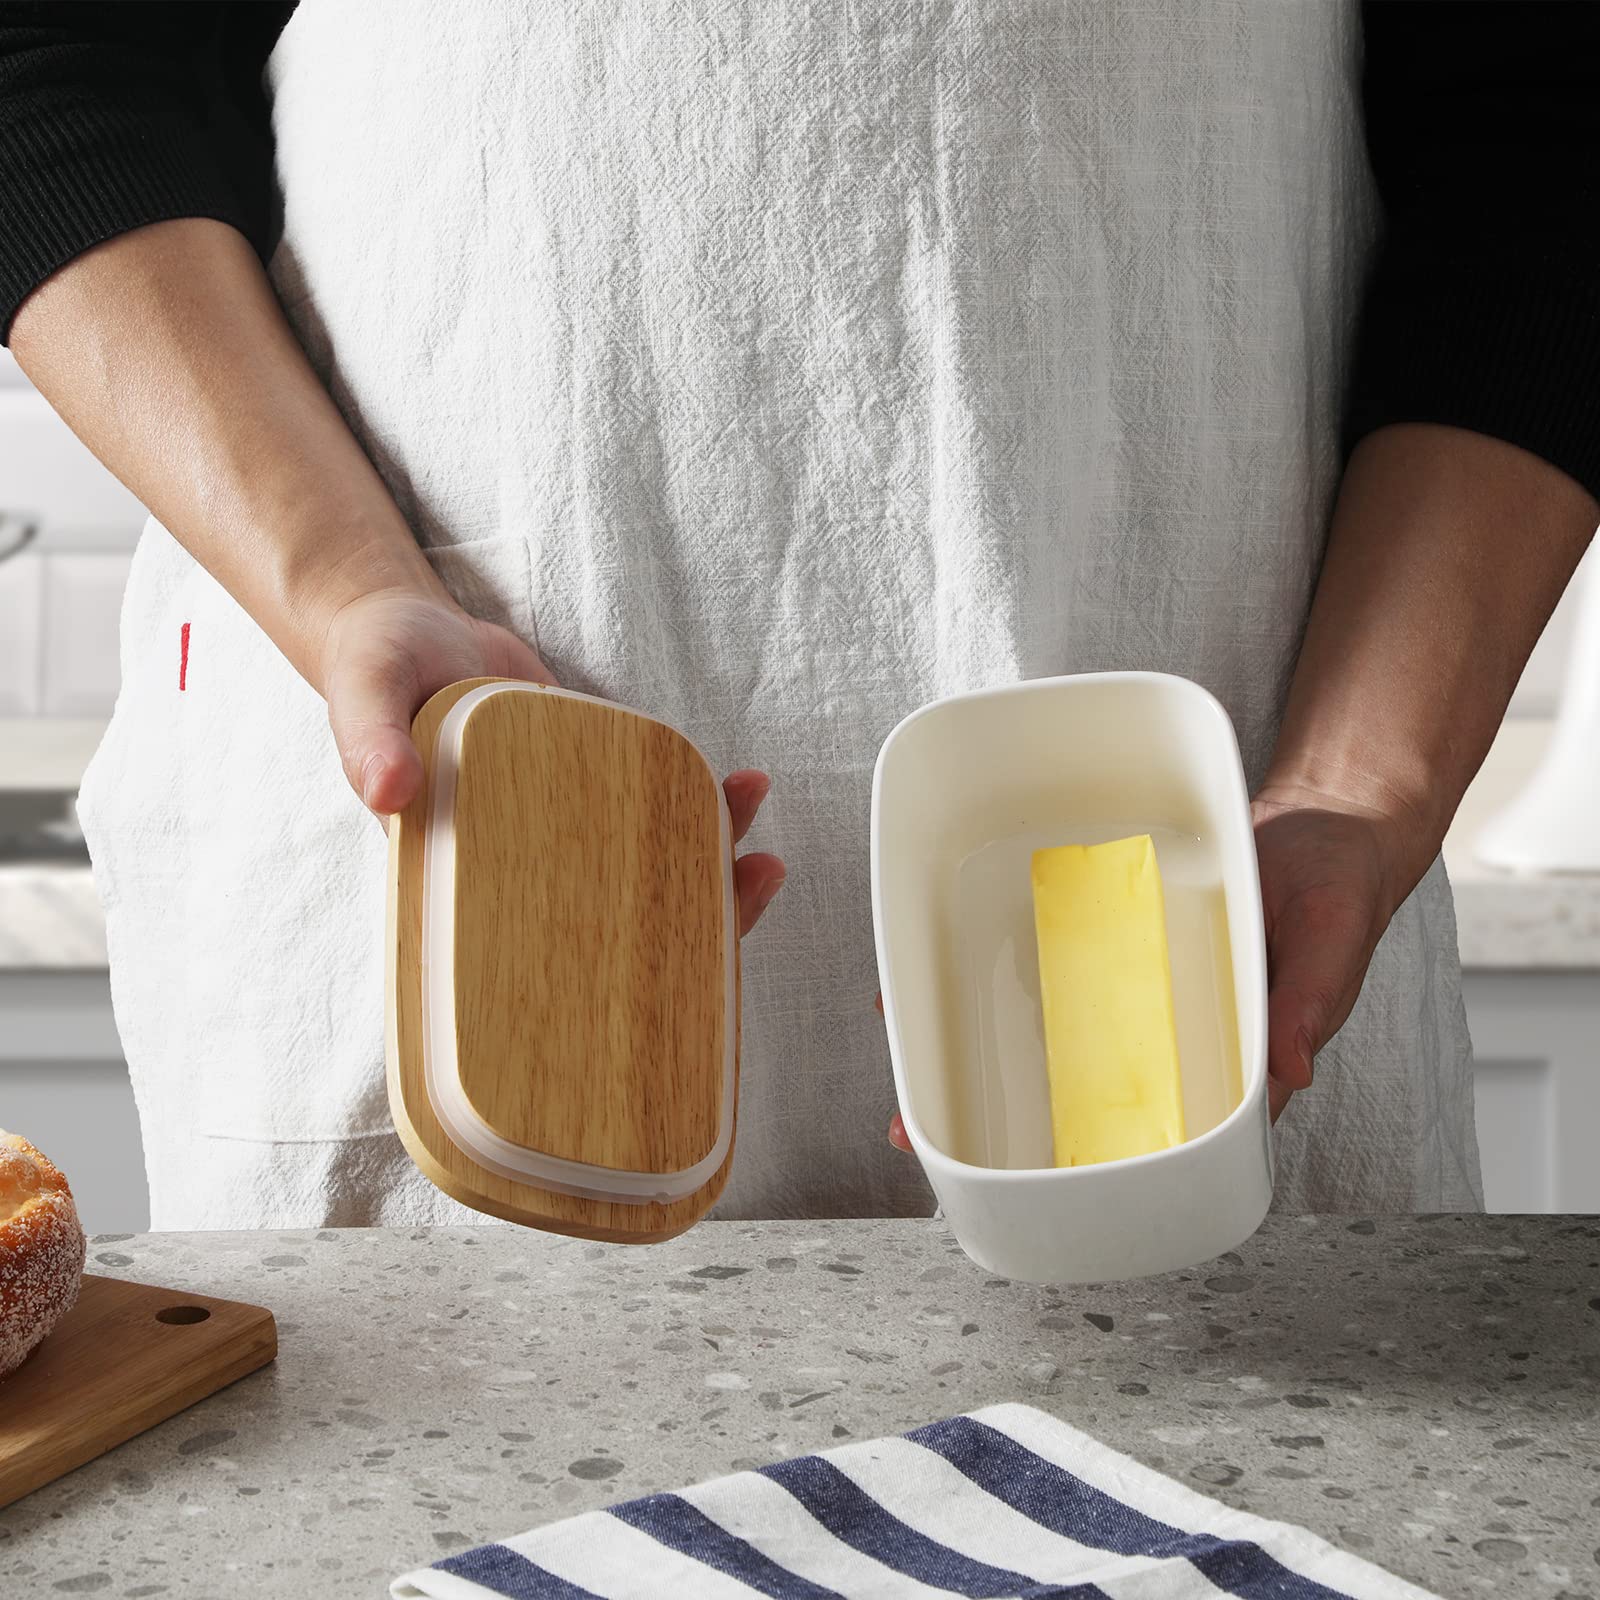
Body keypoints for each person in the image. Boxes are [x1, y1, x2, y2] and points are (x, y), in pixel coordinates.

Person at [1, 2, 1595, 1230]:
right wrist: (345, 586)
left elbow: (1546, 147)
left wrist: (1353, 795)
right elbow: (54, 58)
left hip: (1226, 936)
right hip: (465, 871)